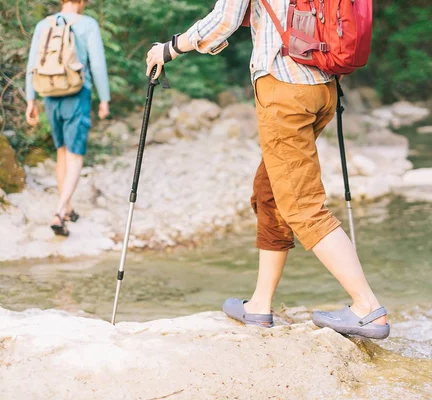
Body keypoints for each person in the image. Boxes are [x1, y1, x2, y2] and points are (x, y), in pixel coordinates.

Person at [146, 0, 389, 339]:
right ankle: (259, 305)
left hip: (284, 89)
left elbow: (224, 19)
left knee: (303, 206)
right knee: (270, 190)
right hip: (322, 86)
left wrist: (170, 48)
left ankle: (367, 309)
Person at [25, 0, 110, 237]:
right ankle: (60, 212)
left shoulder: (44, 24)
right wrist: (104, 99)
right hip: (77, 94)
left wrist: (30, 100)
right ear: (82, 2)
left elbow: (32, 64)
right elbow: (98, 64)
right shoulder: (88, 24)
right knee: (75, 155)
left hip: (50, 94)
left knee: (62, 151)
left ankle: (68, 206)